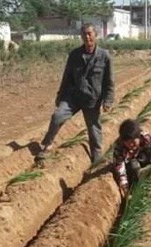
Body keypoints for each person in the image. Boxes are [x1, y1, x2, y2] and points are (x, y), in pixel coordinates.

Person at [35, 23, 114, 166]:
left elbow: (109, 81)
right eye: (84, 34)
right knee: (57, 116)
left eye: (90, 33)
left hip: (92, 99)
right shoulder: (75, 55)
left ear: (96, 35)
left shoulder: (104, 56)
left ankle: (96, 158)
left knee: (94, 129)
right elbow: (67, 77)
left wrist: (108, 101)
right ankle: (47, 145)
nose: (87, 36)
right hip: (73, 97)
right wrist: (60, 96)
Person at [112, 119, 151, 197]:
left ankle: (147, 175)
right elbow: (121, 171)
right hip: (131, 165)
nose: (131, 145)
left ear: (138, 136)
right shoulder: (119, 147)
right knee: (133, 165)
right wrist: (126, 190)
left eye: (133, 141)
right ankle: (138, 180)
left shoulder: (147, 139)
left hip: (145, 159)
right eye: (128, 143)